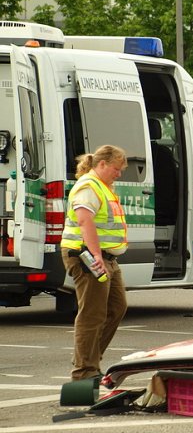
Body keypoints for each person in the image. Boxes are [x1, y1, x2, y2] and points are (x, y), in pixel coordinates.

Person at [60, 145, 129, 381]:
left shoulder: (103, 187)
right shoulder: (89, 186)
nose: (118, 174)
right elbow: (84, 220)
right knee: (92, 314)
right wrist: (96, 254)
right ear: (101, 164)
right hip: (88, 257)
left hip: (106, 258)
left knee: (116, 308)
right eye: (116, 169)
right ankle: (84, 372)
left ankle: (88, 361)